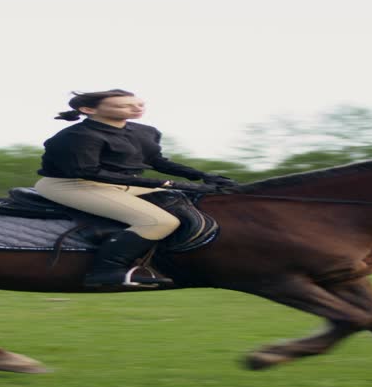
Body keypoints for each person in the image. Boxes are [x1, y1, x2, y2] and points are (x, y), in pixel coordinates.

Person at [34, 88, 238, 288]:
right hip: (74, 186)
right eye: (123, 106)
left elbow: (157, 161)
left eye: (139, 104)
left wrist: (202, 176)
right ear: (88, 110)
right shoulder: (76, 136)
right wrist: (164, 183)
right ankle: (106, 271)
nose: (136, 109)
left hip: (124, 185)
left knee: (198, 200)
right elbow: (88, 172)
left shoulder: (145, 131)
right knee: (159, 221)